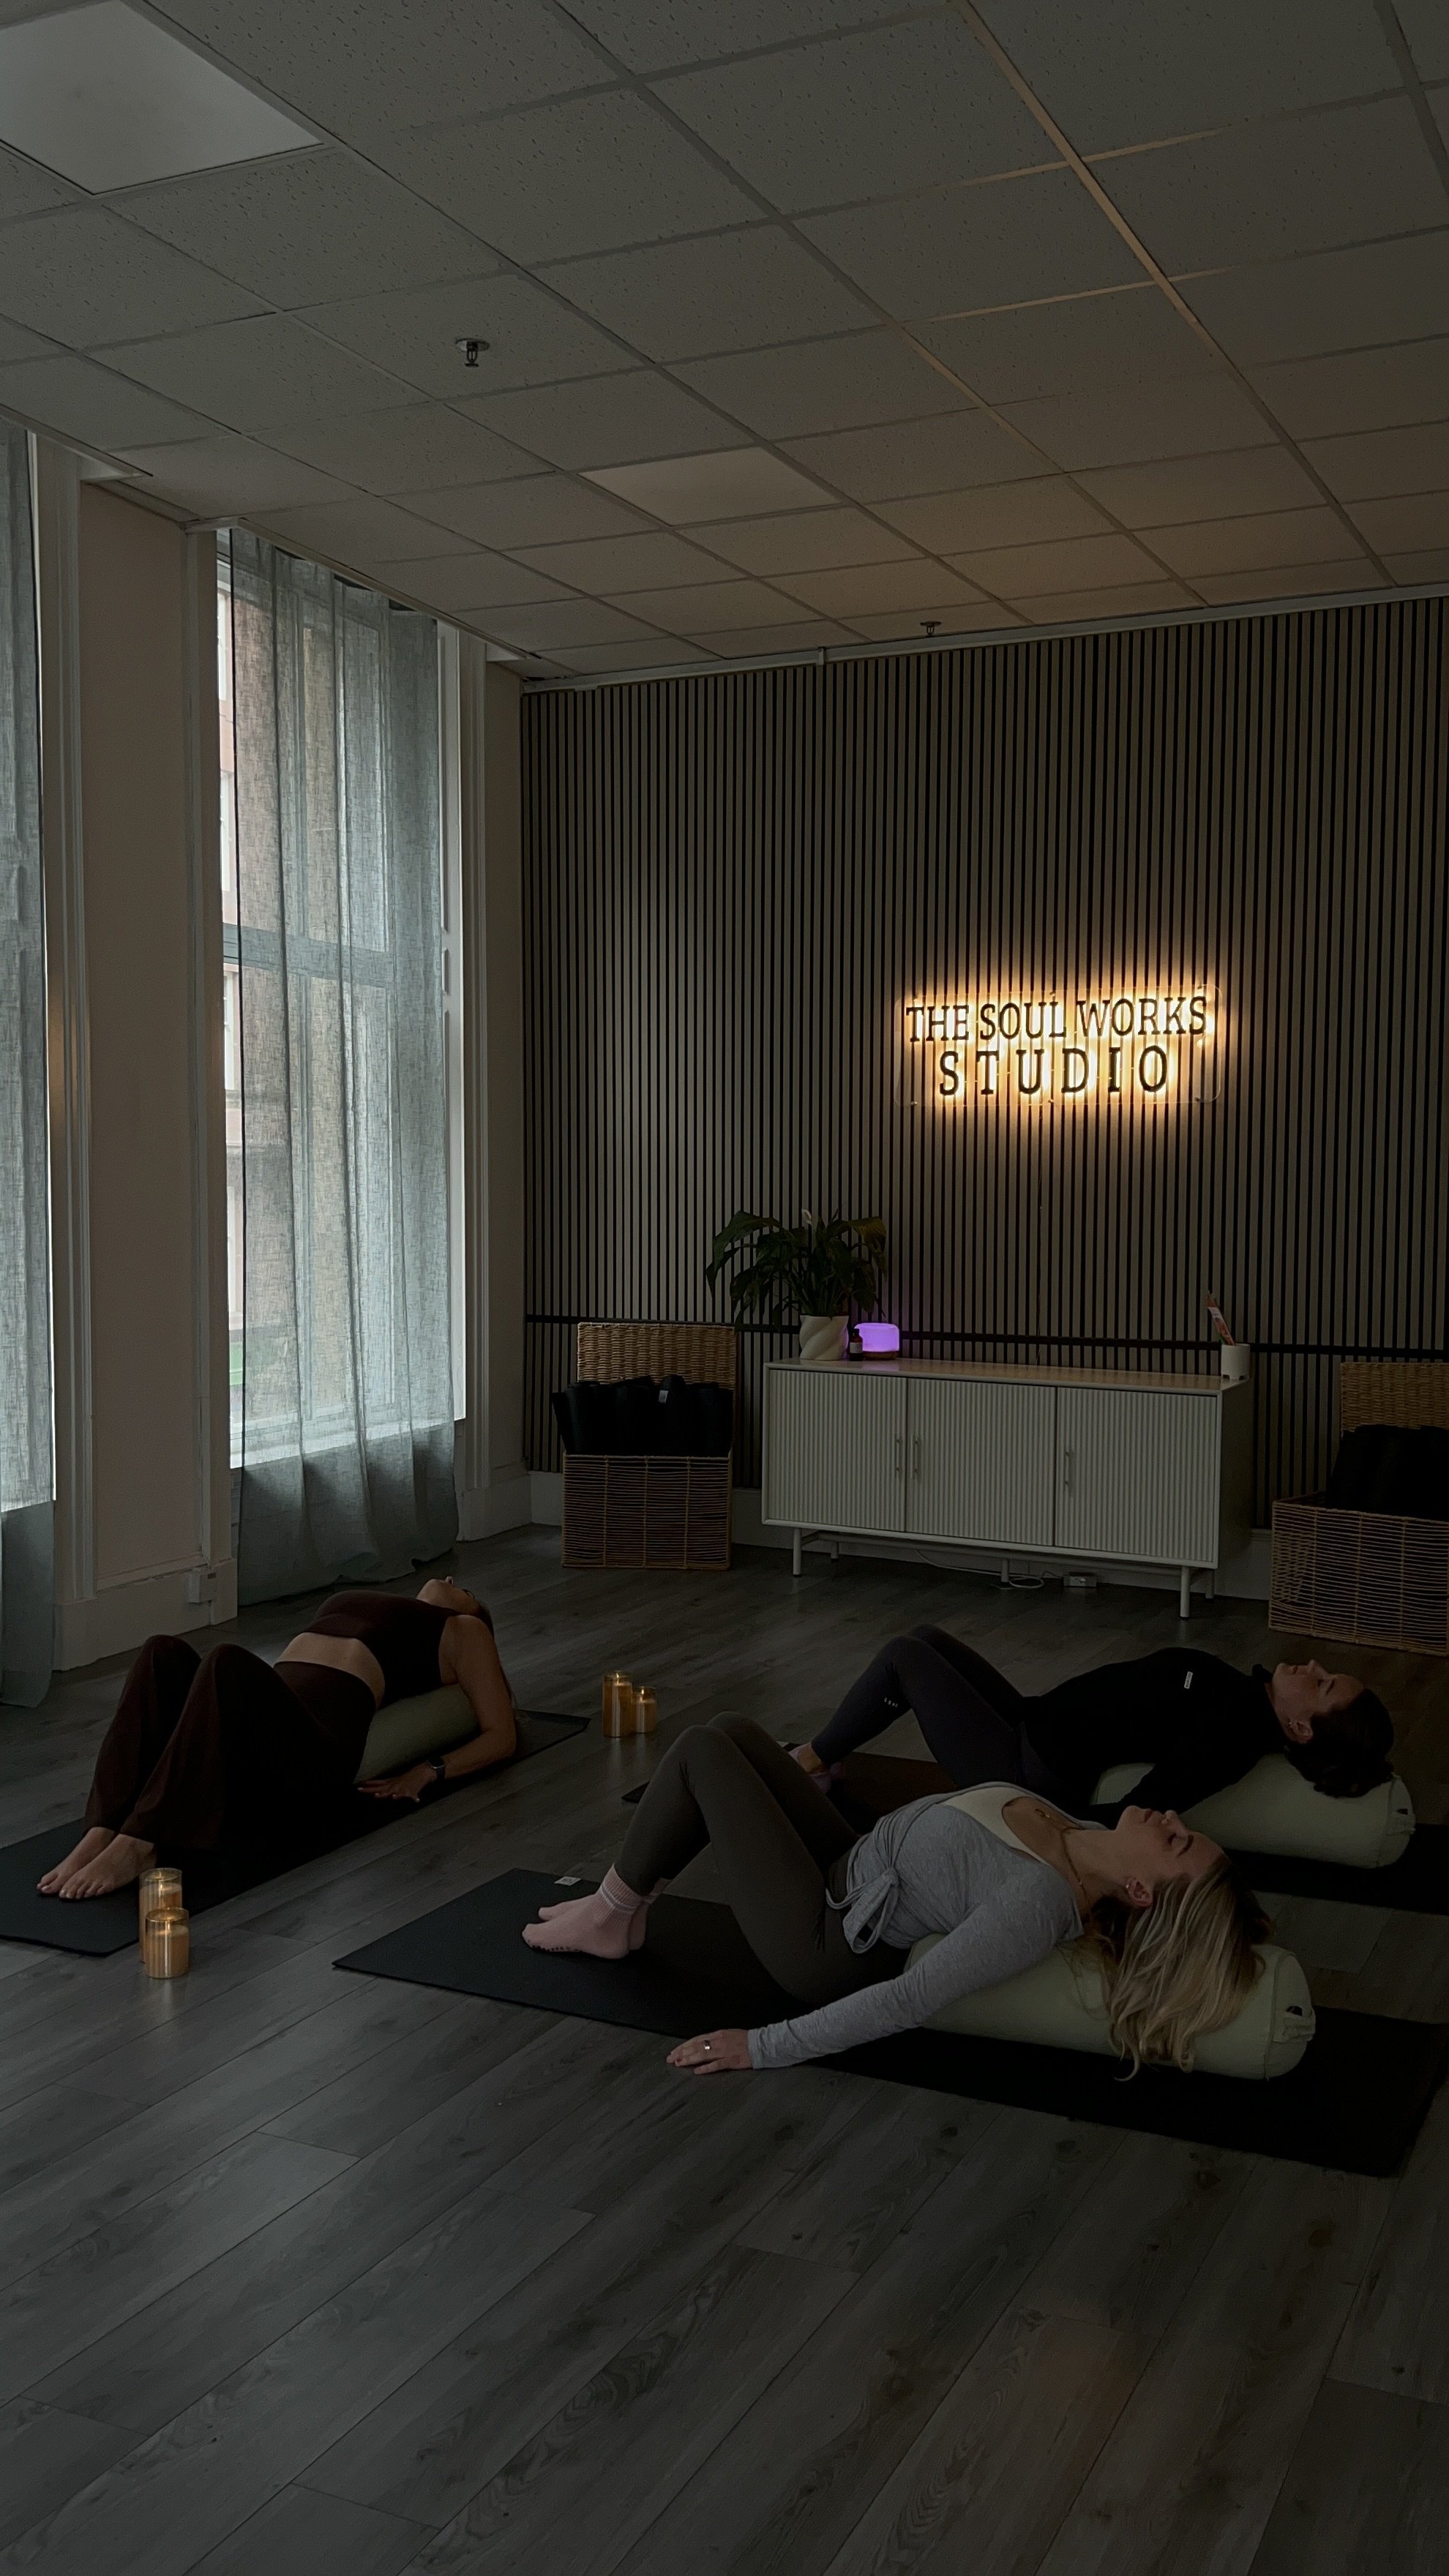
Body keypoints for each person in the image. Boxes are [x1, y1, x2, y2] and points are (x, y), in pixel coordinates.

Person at [522, 1712, 1266, 2078]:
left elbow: (912, 2000)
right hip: (852, 1860)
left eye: (1175, 1841)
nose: (1171, 1818)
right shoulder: (1078, 1828)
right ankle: (624, 1904)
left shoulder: (1038, 1903)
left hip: (830, 1939)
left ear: (1139, 1890)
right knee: (732, 1731)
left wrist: (761, 2047)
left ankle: (612, 1915)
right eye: (1182, 1827)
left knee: (702, 1753)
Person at [38, 1579, 516, 1901]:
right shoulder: (379, 1599)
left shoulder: (464, 1630)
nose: (453, 1583)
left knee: (226, 1661)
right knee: (160, 1652)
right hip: (267, 1729)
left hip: (314, 1754)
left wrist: (427, 1772)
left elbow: (502, 1734)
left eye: (467, 1590)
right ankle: (103, 1826)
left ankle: (140, 1843)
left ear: (478, 1612)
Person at [792, 1630, 1395, 1820]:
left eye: (1321, 1685)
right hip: (1032, 1719)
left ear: (1300, 1729)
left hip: (1023, 1769)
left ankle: (810, 1764)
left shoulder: (1231, 1732)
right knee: (925, 1640)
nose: (1313, 1666)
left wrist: (1055, 1830)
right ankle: (832, 1753)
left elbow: (1151, 1803)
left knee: (905, 1657)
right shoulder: (1243, 1695)